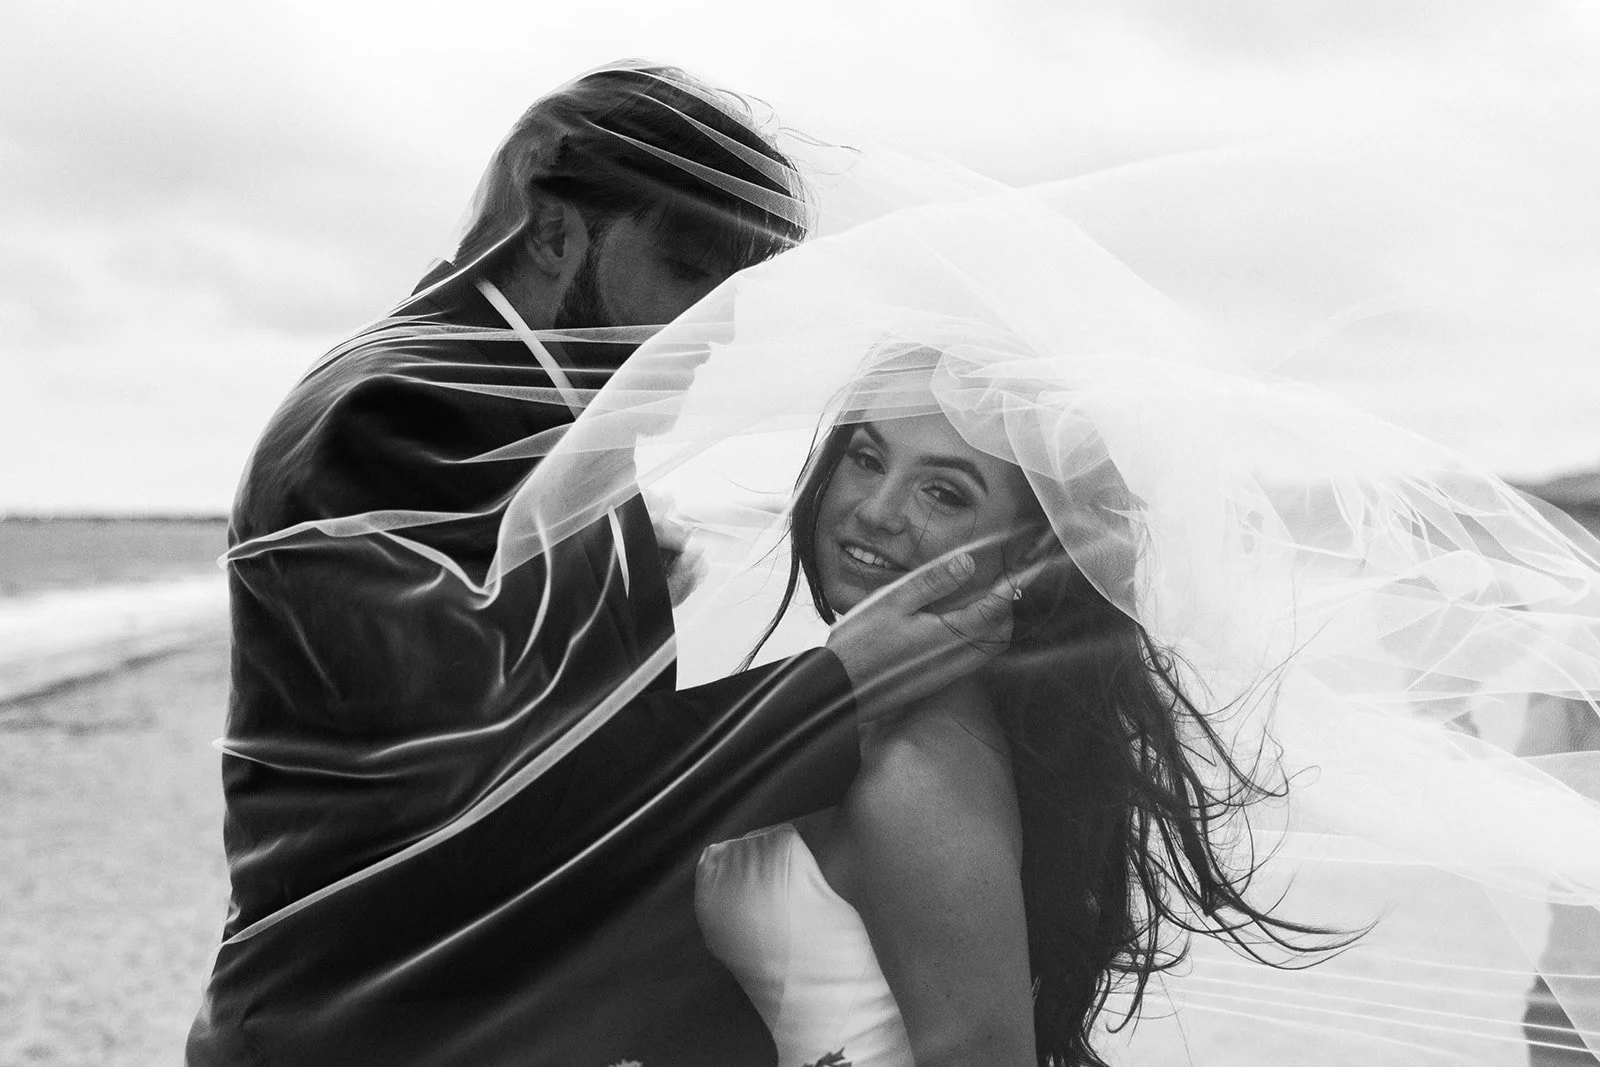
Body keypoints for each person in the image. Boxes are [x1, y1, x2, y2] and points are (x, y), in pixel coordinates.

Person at [527, 184, 1600, 1063]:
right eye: (866, 454)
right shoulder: (905, 704)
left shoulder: (916, 760)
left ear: (1029, 551)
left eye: (945, 491)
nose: (875, 510)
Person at [186, 63, 1014, 1066]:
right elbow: (491, 804)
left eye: (736, 285)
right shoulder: (396, 415)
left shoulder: (546, 426)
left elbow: (508, 707)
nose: (719, 326)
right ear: (552, 232)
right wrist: (836, 685)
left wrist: (610, 598)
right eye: (690, 269)